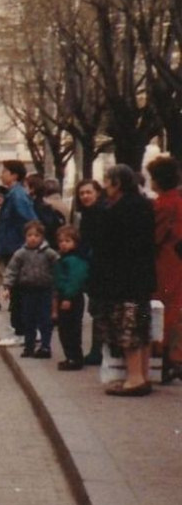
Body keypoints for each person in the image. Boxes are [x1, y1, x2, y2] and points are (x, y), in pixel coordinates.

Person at [98, 163, 156, 397]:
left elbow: (111, 247)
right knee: (142, 326)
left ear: (117, 183)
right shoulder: (144, 205)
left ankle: (133, 380)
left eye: (107, 181)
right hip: (143, 278)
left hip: (124, 279)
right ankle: (143, 375)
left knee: (127, 327)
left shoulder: (119, 210)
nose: (105, 186)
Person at [0, 160, 37, 345]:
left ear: (14, 175)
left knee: (18, 292)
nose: (1, 175)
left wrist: (25, 245)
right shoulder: (14, 194)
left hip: (15, 249)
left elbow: (29, 221)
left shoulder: (17, 196)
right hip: (12, 247)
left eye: (5, 171)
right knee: (16, 291)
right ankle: (21, 329)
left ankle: (22, 332)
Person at [146, 155, 181, 383]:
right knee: (177, 309)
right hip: (178, 260)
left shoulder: (162, 205)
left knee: (163, 310)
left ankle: (167, 356)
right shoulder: (178, 200)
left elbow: (154, 237)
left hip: (165, 261)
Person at [3, 219, 56, 359]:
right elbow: (11, 270)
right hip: (27, 290)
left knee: (45, 320)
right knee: (28, 319)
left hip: (45, 290)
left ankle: (45, 346)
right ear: (25, 237)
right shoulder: (21, 253)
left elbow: (58, 267)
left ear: (42, 237)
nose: (33, 238)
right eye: (29, 235)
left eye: (36, 236)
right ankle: (29, 346)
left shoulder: (49, 253)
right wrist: (7, 286)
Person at [73, 178, 110, 366]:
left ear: (97, 192)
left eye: (89, 192)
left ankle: (98, 351)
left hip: (101, 268)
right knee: (97, 309)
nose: (85, 196)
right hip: (94, 268)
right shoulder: (88, 214)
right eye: (82, 193)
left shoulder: (100, 213)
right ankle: (98, 349)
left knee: (100, 309)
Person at [52, 224, 90, 370]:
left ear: (75, 242)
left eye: (67, 241)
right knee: (65, 329)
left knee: (70, 329)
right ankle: (71, 357)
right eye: (61, 241)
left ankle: (74, 358)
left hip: (71, 298)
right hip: (65, 296)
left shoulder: (74, 260)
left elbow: (75, 279)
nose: (63, 244)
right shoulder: (65, 258)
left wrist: (67, 297)